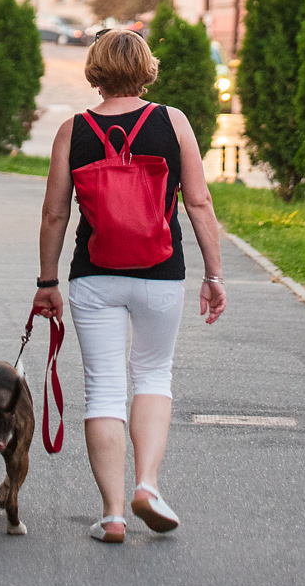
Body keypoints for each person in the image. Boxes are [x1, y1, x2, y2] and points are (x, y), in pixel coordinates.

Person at [32, 28, 226, 544]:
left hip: (94, 275)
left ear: (96, 69)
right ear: (146, 68)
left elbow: (55, 213)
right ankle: (148, 485)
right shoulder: (173, 122)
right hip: (161, 272)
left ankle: (114, 514)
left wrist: (47, 281)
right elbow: (199, 203)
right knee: (153, 376)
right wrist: (214, 273)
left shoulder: (73, 130)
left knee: (104, 388)